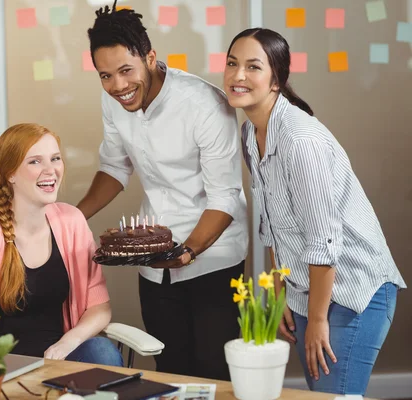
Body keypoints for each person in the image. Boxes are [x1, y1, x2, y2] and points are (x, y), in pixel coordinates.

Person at [223, 28, 407, 395]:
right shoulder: (250, 134)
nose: (237, 75)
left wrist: (319, 318)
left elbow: (323, 239)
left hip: (355, 290)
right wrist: (280, 292)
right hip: (310, 288)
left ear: (277, 79)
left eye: (253, 67)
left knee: (334, 396)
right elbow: (273, 222)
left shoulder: (299, 140)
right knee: (321, 392)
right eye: (232, 63)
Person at [77, 1, 248, 380]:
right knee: (168, 369)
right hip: (155, 264)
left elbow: (225, 197)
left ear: (150, 57)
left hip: (214, 257)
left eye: (125, 71)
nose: (118, 86)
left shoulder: (205, 105)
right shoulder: (114, 102)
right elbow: (115, 166)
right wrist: (70, 216)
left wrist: (186, 252)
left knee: (212, 372)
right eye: (105, 76)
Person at [0, 123, 123, 367]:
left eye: (55, 159)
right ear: (10, 174)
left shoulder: (72, 222)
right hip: (2, 368)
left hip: (60, 360)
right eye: (35, 162)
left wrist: (67, 343)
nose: (51, 170)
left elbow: (100, 308)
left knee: (102, 351)